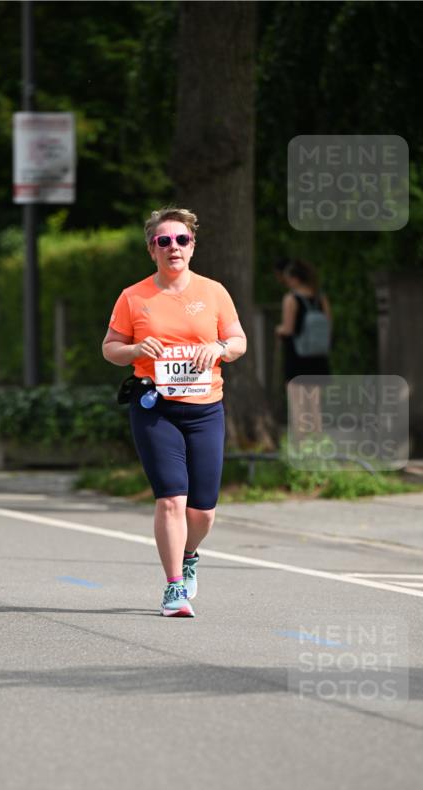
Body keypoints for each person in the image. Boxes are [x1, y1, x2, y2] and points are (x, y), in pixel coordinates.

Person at [102, 206, 247, 617]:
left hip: (205, 409)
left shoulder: (213, 292)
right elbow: (109, 348)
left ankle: (188, 554)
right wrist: (133, 349)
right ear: (152, 249)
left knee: (202, 510)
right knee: (170, 499)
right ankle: (173, 587)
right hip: (155, 407)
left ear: (192, 245)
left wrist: (218, 348)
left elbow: (238, 341)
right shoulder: (134, 297)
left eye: (181, 240)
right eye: (163, 241)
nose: (173, 247)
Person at [274, 258, 332, 383]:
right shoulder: (321, 298)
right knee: (316, 401)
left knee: (298, 401)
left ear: (295, 279)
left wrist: (279, 329)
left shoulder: (291, 299)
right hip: (319, 357)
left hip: (297, 357)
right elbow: (328, 325)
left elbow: (288, 329)